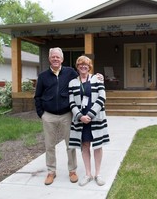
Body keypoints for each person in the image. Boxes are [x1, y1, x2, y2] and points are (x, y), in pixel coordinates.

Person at [34, 47, 79, 185]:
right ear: (49, 59)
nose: (55, 59)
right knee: (49, 145)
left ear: (62, 59)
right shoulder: (43, 76)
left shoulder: (70, 73)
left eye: (57, 57)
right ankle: (51, 172)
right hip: (49, 115)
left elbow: (83, 79)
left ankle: (72, 170)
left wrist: (97, 77)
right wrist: (42, 114)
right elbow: (37, 96)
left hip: (67, 114)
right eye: (53, 56)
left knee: (70, 144)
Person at [68, 55, 110, 187]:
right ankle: (88, 174)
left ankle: (98, 174)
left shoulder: (97, 79)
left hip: (95, 118)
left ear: (89, 66)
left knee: (97, 146)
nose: (83, 66)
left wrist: (90, 115)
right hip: (81, 120)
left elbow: (102, 98)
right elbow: (71, 102)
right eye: (80, 64)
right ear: (77, 67)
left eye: (85, 64)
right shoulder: (73, 83)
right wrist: (80, 116)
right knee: (85, 145)